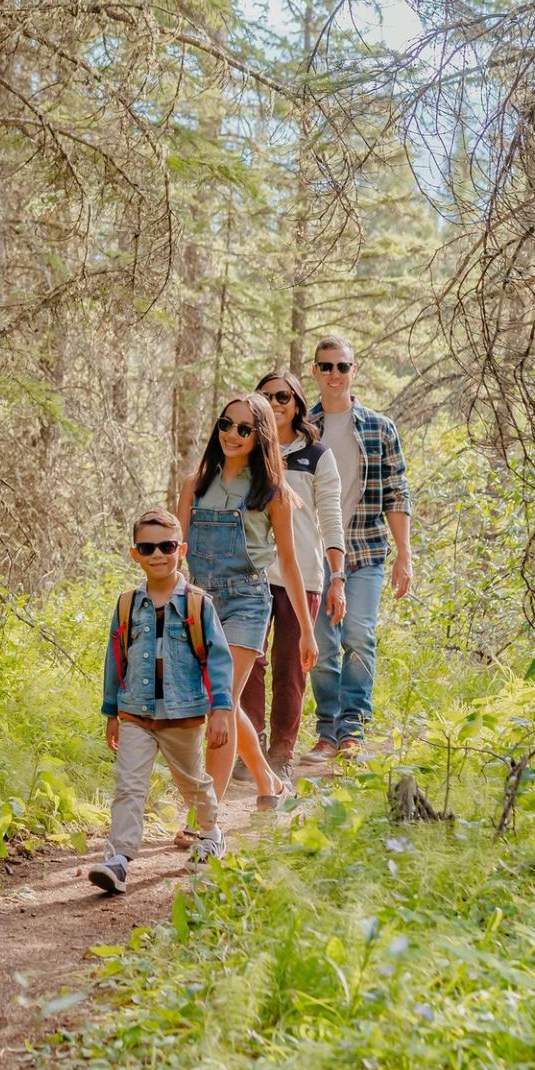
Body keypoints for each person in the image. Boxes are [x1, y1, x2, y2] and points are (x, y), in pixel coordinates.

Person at [175, 393, 317, 807]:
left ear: (260, 436)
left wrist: (307, 632)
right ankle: (267, 781)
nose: (231, 434)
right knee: (218, 702)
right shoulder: (194, 484)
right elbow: (177, 554)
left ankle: (205, 817)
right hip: (199, 604)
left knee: (221, 702)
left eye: (243, 428)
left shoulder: (272, 492)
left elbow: (289, 564)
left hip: (247, 603)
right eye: (225, 424)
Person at [89, 509, 234, 895]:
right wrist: (111, 712)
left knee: (193, 785)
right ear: (135, 553)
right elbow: (114, 660)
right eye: (147, 547)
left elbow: (218, 659)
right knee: (129, 786)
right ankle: (118, 859)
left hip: (184, 715)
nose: (158, 554)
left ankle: (210, 833)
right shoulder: (126, 604)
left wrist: (221, 710)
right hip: (135, 713)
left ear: (181, 549)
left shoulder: (198, 604)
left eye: (167, 546)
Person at [305, 334, 412, 758]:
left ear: (353, 371)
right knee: (323, 643)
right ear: (315, 371)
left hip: (365, 549)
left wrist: (405, 554)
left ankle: (353, 729)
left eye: (342, 366)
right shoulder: (302, 430)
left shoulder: (379, 427)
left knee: (359, 635)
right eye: (326, 366)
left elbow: (397, 493)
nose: (335, 374)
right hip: (314, 556)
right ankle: (327, 730)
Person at [240, 369, 345, 777]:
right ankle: (251, 750)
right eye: (266, 396)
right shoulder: (246, 448)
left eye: (282, 396)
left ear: (297, 402)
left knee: (290, 670)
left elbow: (332, 519)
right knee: (248, 664)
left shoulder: (317, 456)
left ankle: (281, 756)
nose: (275, 403)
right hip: (250, 574)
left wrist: (338, 576)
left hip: (301, 576)